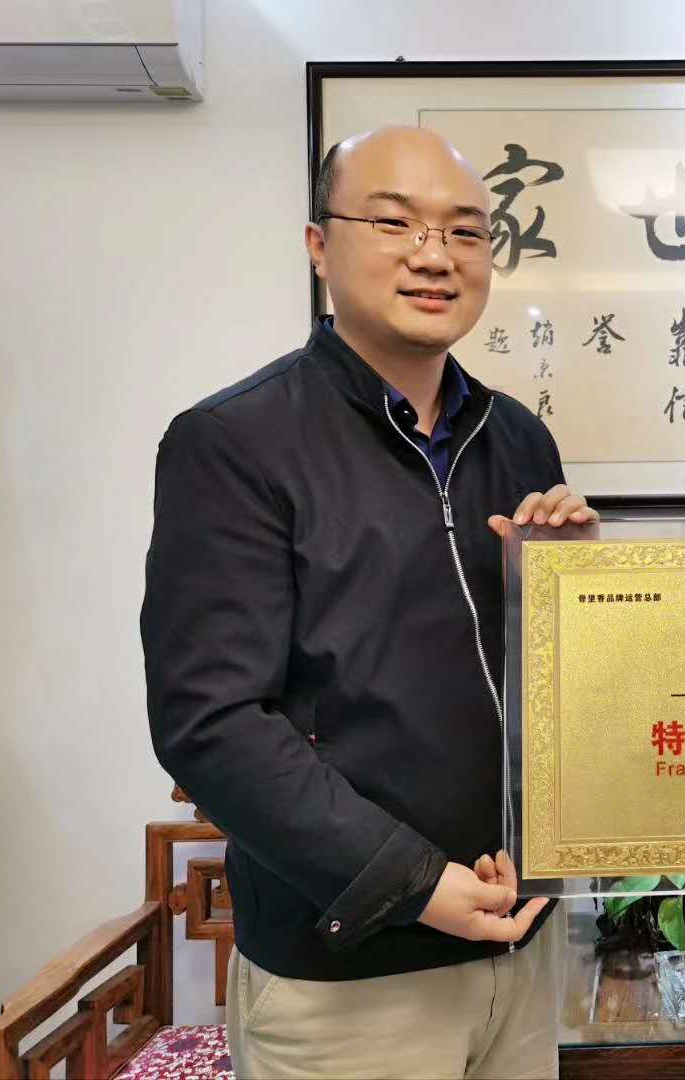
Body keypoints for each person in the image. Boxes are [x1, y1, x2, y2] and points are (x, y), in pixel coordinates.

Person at [142, 126, 596, 1079]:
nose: (435, 255)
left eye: (465, 232)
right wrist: (414, 885)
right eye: (395, 224)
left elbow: (544, 689)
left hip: (521, 945)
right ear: (320, 246)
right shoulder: (233, 443)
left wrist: (576, 594)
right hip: (348, 977)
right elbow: (209, 723)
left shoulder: (518, 439)